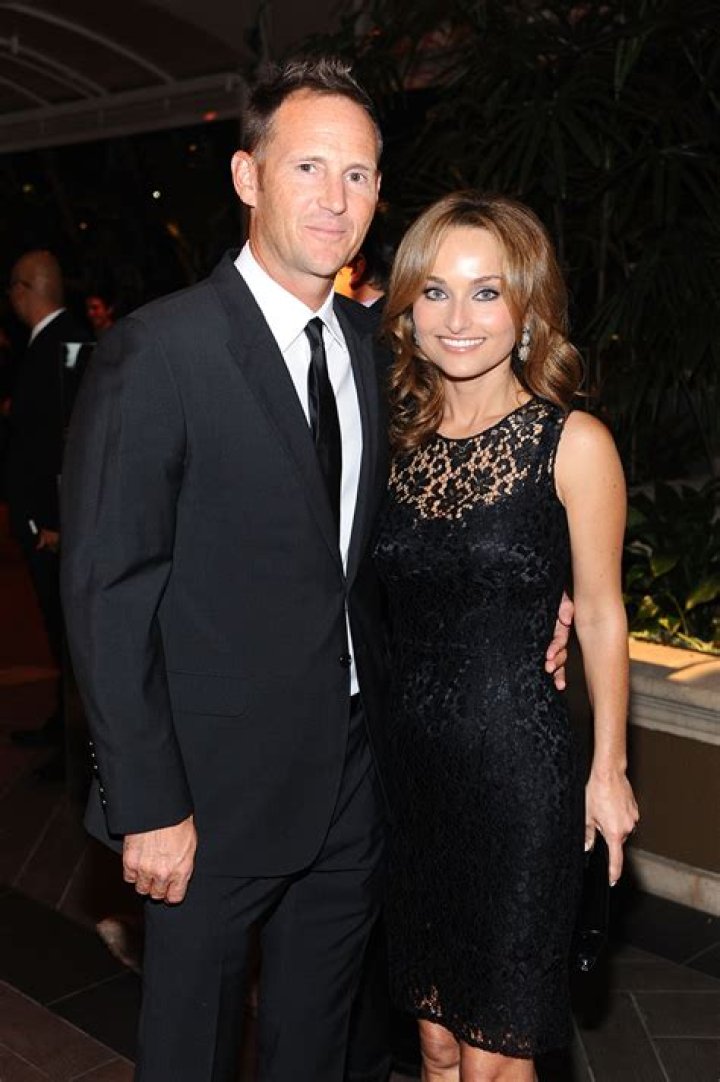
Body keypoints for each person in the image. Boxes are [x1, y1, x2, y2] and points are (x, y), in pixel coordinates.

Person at [60, 59, 571, 1080]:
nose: (337, 197)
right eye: (309, 167)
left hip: (355, 776)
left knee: (318, 1045)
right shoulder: (161, 350)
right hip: (206, 791)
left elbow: (456, 489)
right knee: (191, 1050)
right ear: (248, 176)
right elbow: (108, 593)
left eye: (360, 174)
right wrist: (146, 800)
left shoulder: (381, 351)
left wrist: (541, 593)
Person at [373, 191, 639, 1082]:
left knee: (494, 1056)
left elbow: (599, 612)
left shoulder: (573, 443)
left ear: (527, 311)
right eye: (435, 291)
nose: (458, 317)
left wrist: (609, 770)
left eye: (486, 292)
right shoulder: (391, 444)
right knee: (435, 1045)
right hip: (407, 778)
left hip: (516, 779)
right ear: (407, 309)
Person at [5, 250, 90, 760]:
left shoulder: (69, 344)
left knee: (67, 629)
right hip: (46, 520)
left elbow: (71, 439)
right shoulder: (54, 342)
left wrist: (57, 520)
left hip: (53, 525)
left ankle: (74, 741)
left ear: (24, 290)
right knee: (57, 627)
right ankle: (65, 727)